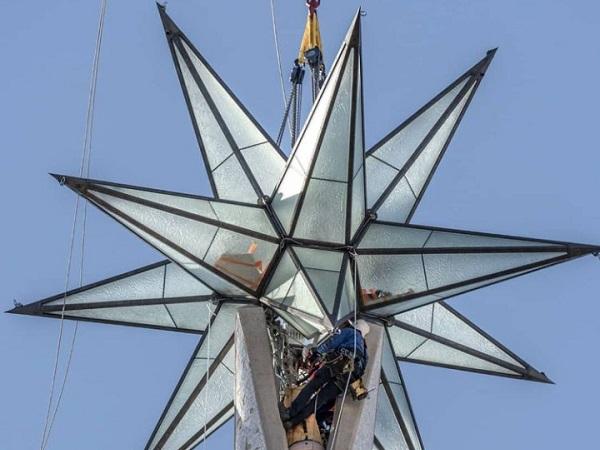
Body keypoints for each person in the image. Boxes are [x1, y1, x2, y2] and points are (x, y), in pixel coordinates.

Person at [281, 320, 370, 429]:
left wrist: (318, 352)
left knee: (312, 387)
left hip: (336, 365)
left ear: (356, 326)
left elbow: (332, 342)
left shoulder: (350, 332)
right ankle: (292, 422)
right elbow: (362, 371)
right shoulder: (365, 352)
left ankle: (289, 413)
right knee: (319, 400)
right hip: (346, 380)